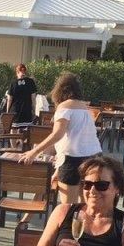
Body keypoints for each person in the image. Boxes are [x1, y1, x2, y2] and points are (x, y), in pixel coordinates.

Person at [20, 72, 102, 204]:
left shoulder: (64, 107)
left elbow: (58, 134)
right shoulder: (85, 108)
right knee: (85, 205)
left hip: (72, 161)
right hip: (94, 158)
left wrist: (34, 152)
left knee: (68, 207)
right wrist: (58, 169)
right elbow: (75, 140)